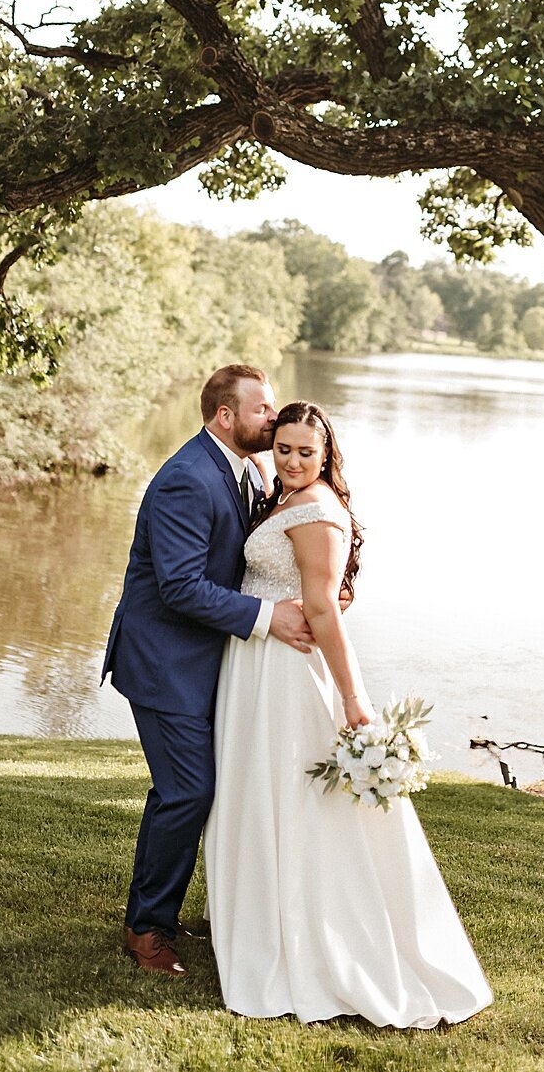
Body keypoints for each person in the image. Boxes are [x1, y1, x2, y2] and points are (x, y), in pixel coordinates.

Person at [204, 400, 492, 1028]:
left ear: (328, 453)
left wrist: (354, 700)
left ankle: (314, 944)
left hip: (286, 673)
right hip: (258, 662)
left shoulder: (318, 513)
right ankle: (260, 921)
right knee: (264, 793)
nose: (293, 461)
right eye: (283, 449)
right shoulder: (280, 496)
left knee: (294, 801)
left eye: (307, 452)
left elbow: (325, 610)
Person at [102, 365, 314, 978]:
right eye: (263, 410)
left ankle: (171, 911)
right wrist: (265, 617)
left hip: (207, 660)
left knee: (204, 789)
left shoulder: (245, 469)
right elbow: (178, 587)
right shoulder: (188, 479)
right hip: (166, 662)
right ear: (226, 415)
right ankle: (146, 928)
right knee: (187, 790)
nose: (273, 420)